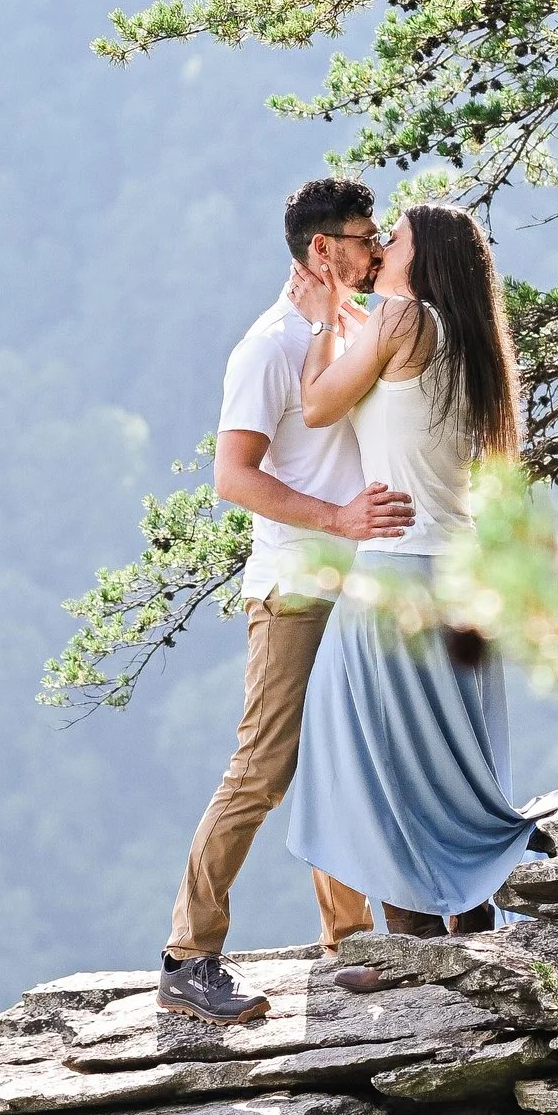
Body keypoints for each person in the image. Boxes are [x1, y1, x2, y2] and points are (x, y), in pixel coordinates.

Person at [156, 177, 420, 1031]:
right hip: (295, 590)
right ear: (322, 249)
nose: (376, 247)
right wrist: (340, 518)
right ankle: (188, 957)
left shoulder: (344, 328)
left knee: (341, 760)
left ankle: (347, 945)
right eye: (363, 234)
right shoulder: (269, 346)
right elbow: (233, 478)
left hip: (354, 587)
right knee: (265, 769)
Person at [281, 201, 552, 936]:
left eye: (393, 237)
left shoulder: (404, 322)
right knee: (448, 767)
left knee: (378, 768)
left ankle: (417, 951)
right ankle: (472, 933)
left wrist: (318, 319)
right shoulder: (472, 338)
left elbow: (316, 407)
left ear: (421, 254)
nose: (382, 245)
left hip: (396, 574)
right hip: (458, 578)